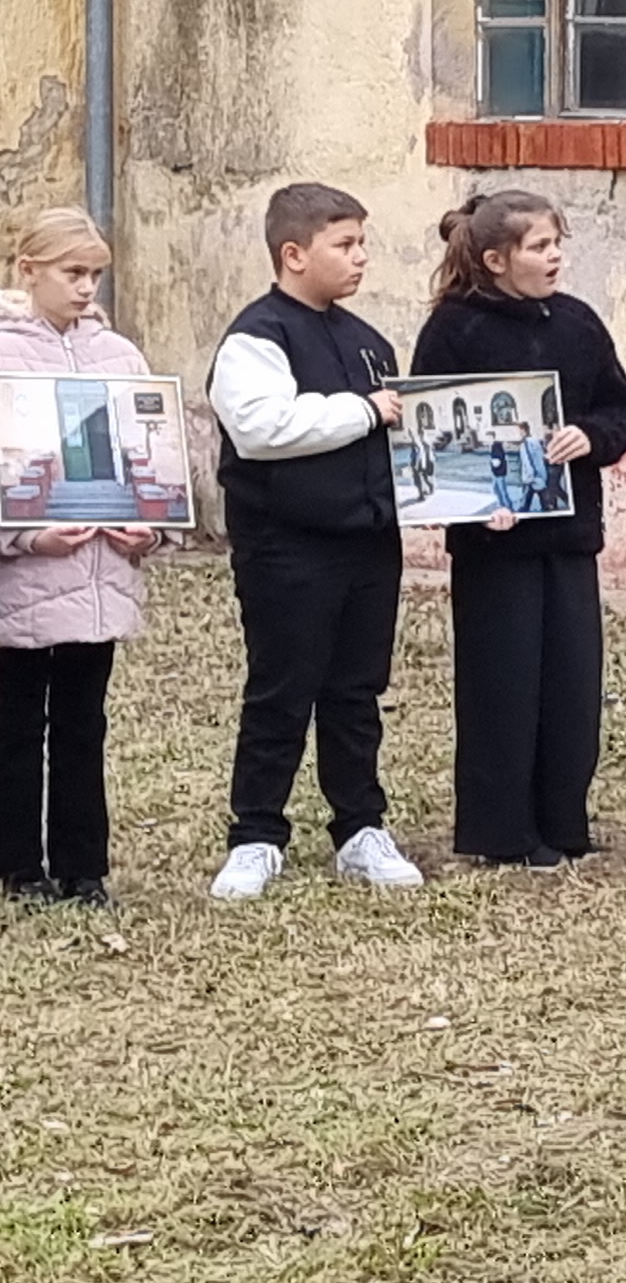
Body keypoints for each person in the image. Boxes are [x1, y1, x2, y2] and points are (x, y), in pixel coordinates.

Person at [410, 190, 626, 870]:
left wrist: (589, 436)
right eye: (540, 247)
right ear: (496, 259)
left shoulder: (577, 323)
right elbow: (430, 433)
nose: (555, 257)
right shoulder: (454, 330)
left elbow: (621, 410)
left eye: (557, 244)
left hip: (568, 537)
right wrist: (473, 503)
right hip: (494, 545)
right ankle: (502, 831)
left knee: (572, 685)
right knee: (503, 686)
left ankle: (564, 821)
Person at [207, 182, 423, 902]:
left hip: (369, 542)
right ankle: (256, 834)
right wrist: (363, 410)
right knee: (281, 690)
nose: (361, 257)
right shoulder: (257, 337)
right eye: (345, 244)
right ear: (294, 254)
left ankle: (360, 827)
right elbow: (262, 428)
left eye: (362, 243)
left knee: (356, 691)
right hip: (287, 548)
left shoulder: (368, 342)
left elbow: (398, 434)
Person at [0, 209, 163, 907]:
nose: (86, 287)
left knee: (82, 724)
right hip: (22, 580)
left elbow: (152, 455)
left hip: (97, 574)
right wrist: (24, 538)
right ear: (27, 270)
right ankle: (17, 866)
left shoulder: (119, 357)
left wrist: (149, 529)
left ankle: (82, 866)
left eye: (94, 274)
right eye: (72, 272)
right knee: (14, 727)